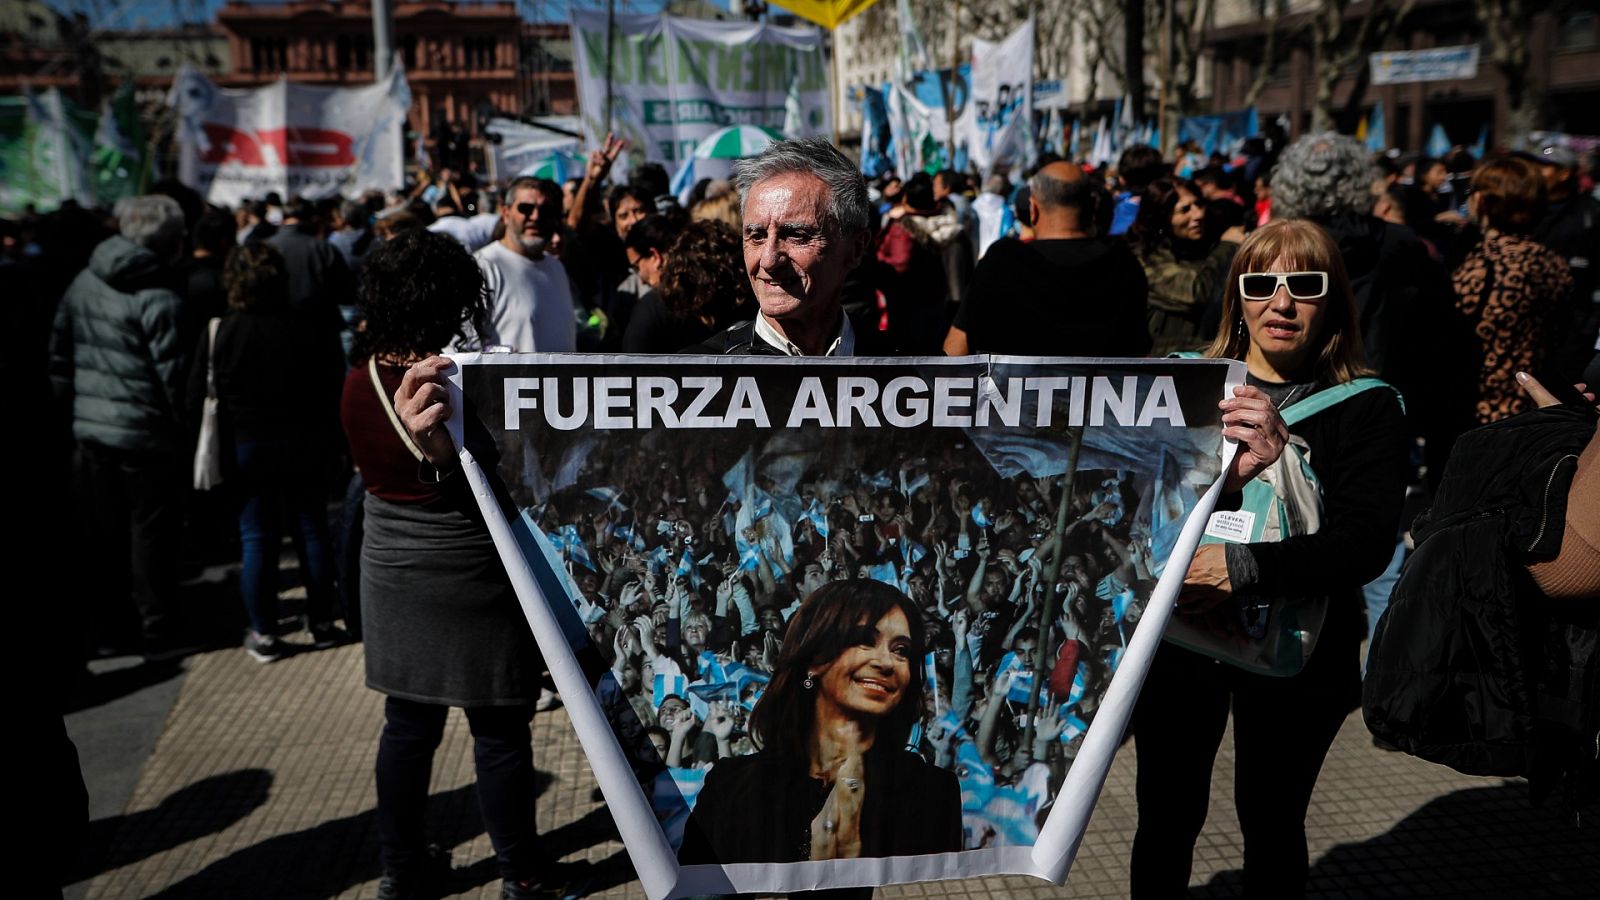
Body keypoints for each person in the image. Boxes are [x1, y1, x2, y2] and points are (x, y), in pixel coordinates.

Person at [1130, 219, 1409, 900]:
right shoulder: (1183, 381)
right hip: (1181, 641)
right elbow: (1129, 504)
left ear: (1333, 300)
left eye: (1305, 285)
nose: (1282, 303)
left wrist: (1246, 568)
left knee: (1272, 820)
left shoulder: (1369, 407)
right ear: (1239, 299)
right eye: (1262, 284)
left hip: (1300, 650)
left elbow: (1366, 545)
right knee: (1165, 818)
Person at [343, 229, 553, 900]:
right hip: (474, 571)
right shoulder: (469, 381)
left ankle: (400, 870)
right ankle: (520, 873)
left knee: (407, 727)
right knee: (498, 728)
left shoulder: (357, 381)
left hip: (391, 570)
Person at [678, 580, 962, 864]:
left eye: (901, 649)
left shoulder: (933, 793)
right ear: (814, 657)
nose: (886, 662)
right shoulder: (731, 787)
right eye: (864, 639)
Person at [187, 242, 347, 661]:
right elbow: (332, 385)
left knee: (257, 537)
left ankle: (265, 632)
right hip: (304, 441)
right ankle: (323, 623)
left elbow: (194, 394)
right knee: (312, 529)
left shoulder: (221, 330)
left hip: (246, 446)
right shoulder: (307, 326)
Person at [50, 194, 190, 657]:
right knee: (148, 536)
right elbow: (173, 380)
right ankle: (158, 627)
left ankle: (110, 630)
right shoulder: (162, 297)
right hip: (145, 437)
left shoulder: (83, 282)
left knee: (100, 534)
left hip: (89, 433)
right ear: (169, 243)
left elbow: (60, 356)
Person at [687, 137, 894, 356]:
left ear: (856, 249)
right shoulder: (696, 378)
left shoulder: (904, 369)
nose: (768, 260)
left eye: (796, 235)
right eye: (757, 236)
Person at [944, 161, 1151, 357]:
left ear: (1033, 210)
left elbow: (955, 352)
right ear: (1091, 208)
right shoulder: (1124, 264)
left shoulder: (1001, 263)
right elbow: (1140, 350)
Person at [1453, 156, 1574, 424]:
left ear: (1482, 200)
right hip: (1538, 407)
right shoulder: (1552, 261)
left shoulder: (1483, 267)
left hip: (1482, 414)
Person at [1129, 177, 1243, 357]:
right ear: (1162, 218)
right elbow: (1196, 292)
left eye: (1198, 204)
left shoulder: (1205, 246)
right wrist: (1227, 247)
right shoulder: (1147, 260)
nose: (1198, 214)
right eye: (1185, 210)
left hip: (1210, 358)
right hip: (1169, 365)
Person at [463, 176, 577, 352]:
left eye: (545, 209)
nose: (535, 216)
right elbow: (464, 347)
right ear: (506, 213)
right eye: (525, 208)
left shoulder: (556, 267)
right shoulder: (482, 267)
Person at [623, 219, 753, 353]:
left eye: (637, 267)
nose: (641, 279)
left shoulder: (651, 310)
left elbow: (630, 367)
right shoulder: (753, 307)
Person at [874, 172, 959, 354]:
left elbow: (899, 263)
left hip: (907, 300)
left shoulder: (901, 227)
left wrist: (879, 268)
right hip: (937, 294)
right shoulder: (947, 226)